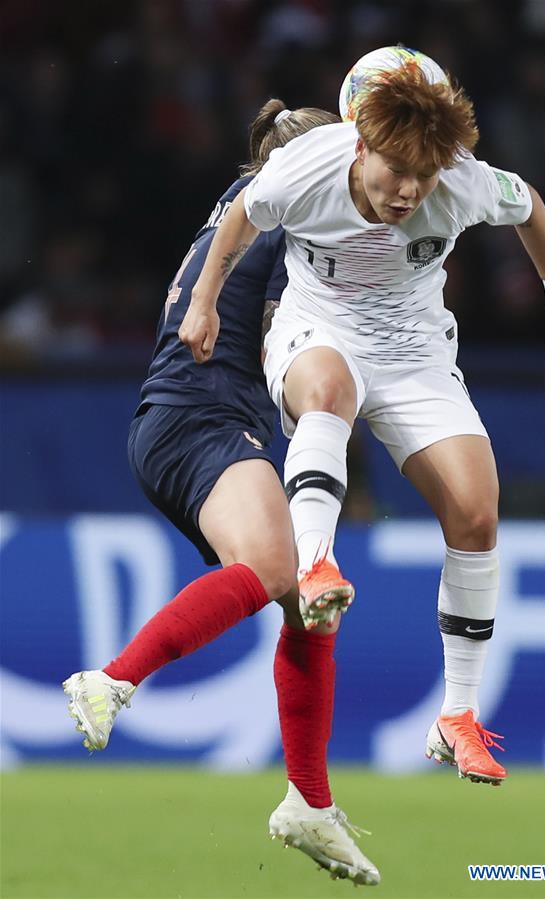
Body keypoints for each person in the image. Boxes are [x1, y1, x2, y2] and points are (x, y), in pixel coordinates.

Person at [179, 58, 545, 788]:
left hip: (415, 355)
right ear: (360, 142)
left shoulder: (463, 180)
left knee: (476, 513)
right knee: (330, 388)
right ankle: (315, 560)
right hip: (316, 329)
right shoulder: (309, 165)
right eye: (397, 170)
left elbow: (529, 203)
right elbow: (243, 215)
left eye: (426, 172)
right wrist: (205, 300)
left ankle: (458, 716)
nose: (410, 190)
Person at [62, 98, 380, 888]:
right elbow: (291, 344)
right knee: (280, 567)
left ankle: (309, 799)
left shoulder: (243, 213)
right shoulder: (290, 223)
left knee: (309, 590)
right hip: (201, 418)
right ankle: (114, 678)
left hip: (179, 417)